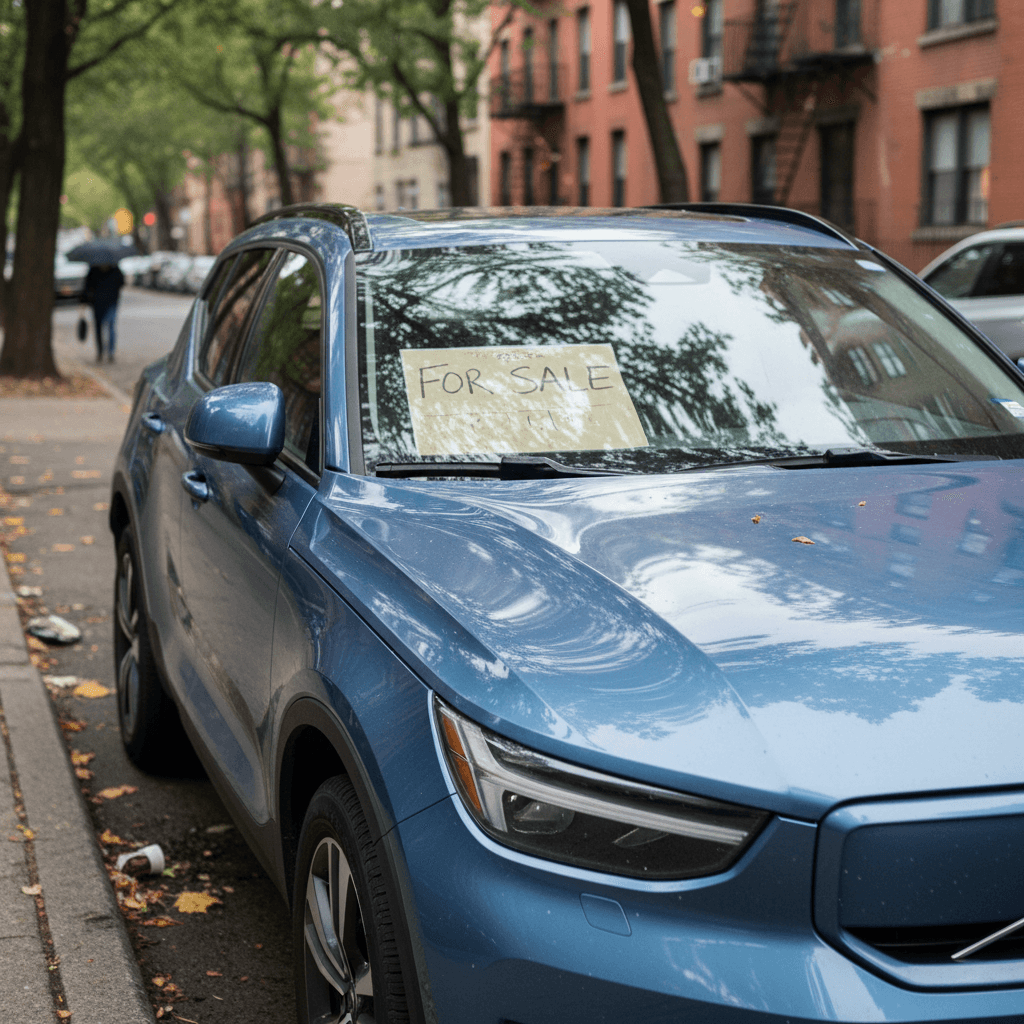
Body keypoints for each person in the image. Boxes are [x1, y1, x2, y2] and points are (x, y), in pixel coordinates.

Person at [83, 262, 125, 363]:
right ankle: (100, 352)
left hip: (111, 302)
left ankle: (110, 352)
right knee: (98, 328)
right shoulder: (93, 270)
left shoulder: (115, 269)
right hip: (97, 304)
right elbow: (88, 286)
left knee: (111, 326)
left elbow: (121, 282)